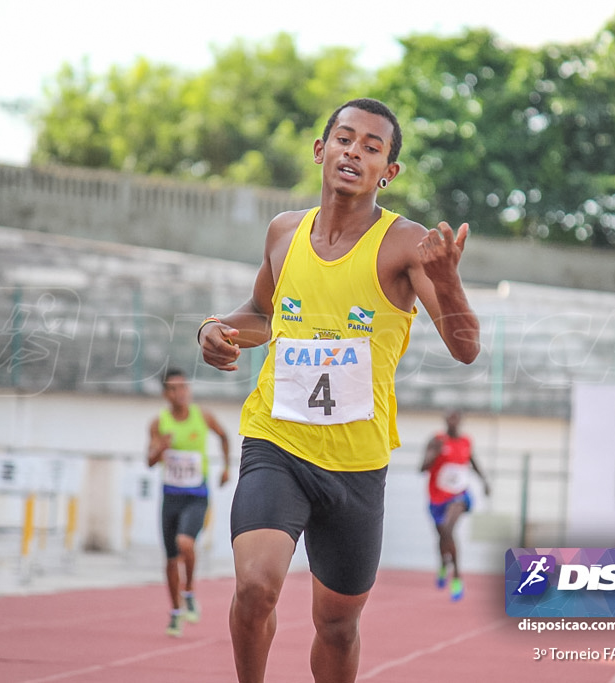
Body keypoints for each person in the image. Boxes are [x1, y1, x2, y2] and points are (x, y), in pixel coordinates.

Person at [197, 97, 480, 683]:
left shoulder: (405, 244)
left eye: (372, 147)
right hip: (276, 443)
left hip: (356, 463)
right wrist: (216, 329)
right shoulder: (284, 232)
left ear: (388, 172)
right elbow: (260, 312)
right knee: (255, 586)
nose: (355, 151)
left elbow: (465, 347)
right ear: (322, 150)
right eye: (345, 139)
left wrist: (448, 283)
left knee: (337, 625)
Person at [146, 367, 231, 637]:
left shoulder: (202, 416)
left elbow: (224, 436)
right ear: (165, 394)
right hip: (171, 496)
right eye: (173, 388)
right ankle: (175, 612)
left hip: (196, 495)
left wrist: (226, 467)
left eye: (183, 387)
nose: (180, 392)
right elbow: (149, 461)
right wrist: (161, 448)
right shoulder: (158, 423)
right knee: (171, 559)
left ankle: (190, 589)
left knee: (186, 543)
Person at [420, 409, 490, 601]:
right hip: (437, 498)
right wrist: (434, 454)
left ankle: (457, 576)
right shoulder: (436, 440)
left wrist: (484, 481)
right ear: (445, 420)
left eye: (456, 419)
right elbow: (422, 468)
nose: (452, 422)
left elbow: (473, 461)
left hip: (459, 495)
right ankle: (444, 563)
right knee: (442, 534)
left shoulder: (466, 441)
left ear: (460, 421)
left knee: (448, 530)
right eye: (449, 418)